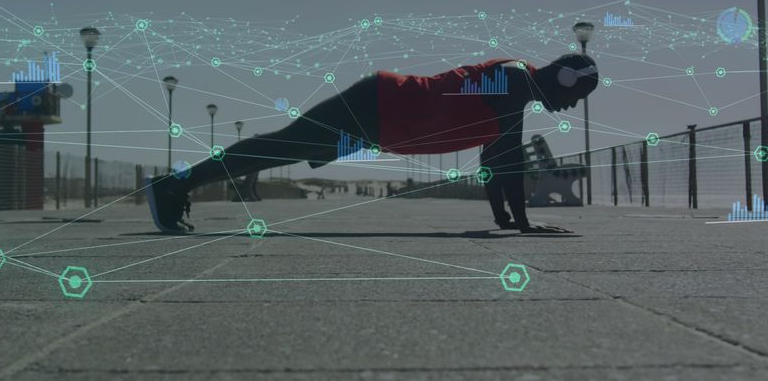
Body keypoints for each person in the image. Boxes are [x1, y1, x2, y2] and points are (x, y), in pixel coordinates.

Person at [146, 53, 599, 233]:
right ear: (563, 78)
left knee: (285, 148)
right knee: (279, 147)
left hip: (380, 123)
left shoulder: (515, 85)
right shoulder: (516, 80)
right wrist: (520, 225)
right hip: (379, 107)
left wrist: (504, 218)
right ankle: (173, 186)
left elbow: (495, 154)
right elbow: (508, 158)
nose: (571, 106)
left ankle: (174, 186)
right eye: (575, 96)